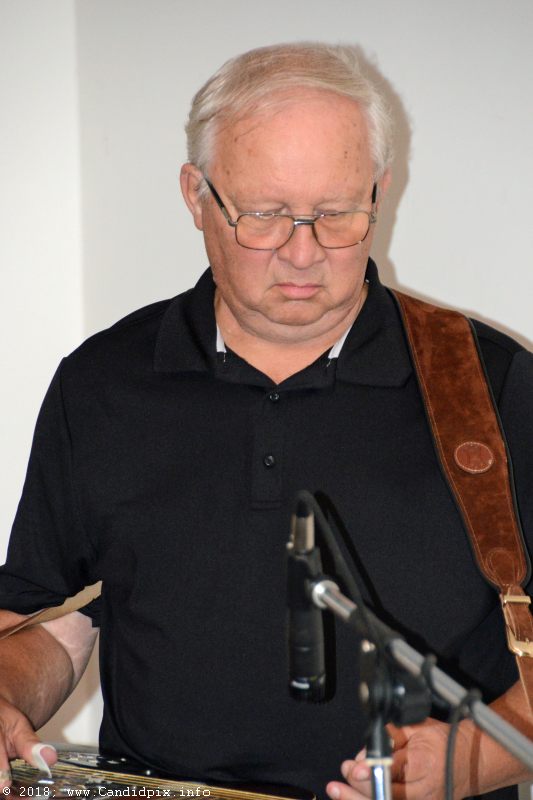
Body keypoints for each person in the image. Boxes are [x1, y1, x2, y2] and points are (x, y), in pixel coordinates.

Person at [1, 42, 533, 800]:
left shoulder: (487, 385)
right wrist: (5, 697)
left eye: (337, 214)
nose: (303, 252)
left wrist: (476, 759)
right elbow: (53, 617)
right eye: (265, 216)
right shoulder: (102, 383)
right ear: (196, 196)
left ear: (379, 191)